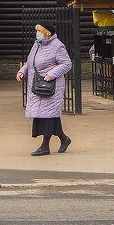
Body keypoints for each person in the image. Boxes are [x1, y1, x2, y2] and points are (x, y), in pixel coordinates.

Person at [16, 20, 73, 156]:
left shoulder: (58, 46)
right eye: (37, 31)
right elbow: (31, 62)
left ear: (47, 32)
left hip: (50, 86)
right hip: (38, 85)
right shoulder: (37, 45)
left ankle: (44, 146)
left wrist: (51, 74)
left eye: (39, 31)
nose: (37, 34)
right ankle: (64, 139)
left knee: (47, 116)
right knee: (48, 115)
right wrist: (22, 71)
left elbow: (67, 64)